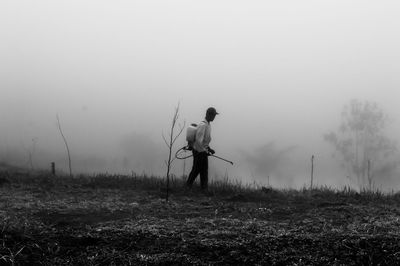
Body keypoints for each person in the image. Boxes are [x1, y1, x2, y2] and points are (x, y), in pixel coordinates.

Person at [186, 107, 219, 190]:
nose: (214, 117)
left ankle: (203, 189)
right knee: (196, 170)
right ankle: (187, 187)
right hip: (198, 151)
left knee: (203, 171)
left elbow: (205, 141)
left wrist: (209, 149)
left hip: (202, 151)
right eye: (213, 115)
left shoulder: (208, 125)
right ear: (208, 114)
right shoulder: (203, 125)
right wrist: (205, 151)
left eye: (215, 115)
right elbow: (198, 141)